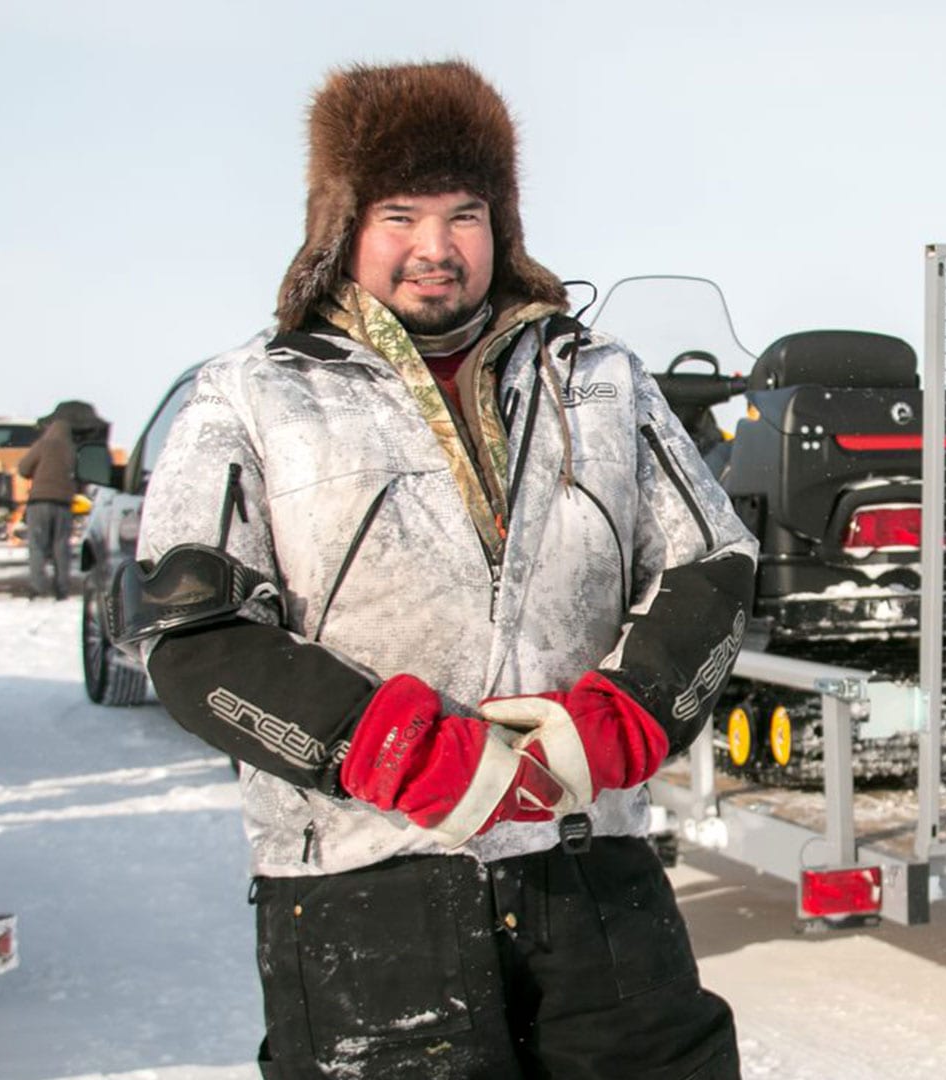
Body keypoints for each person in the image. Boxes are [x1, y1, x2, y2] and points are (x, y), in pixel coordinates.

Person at [118, 60, 754, 1079]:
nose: (434, 248)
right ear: (341, 227)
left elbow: (713, 565)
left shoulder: (599, 380)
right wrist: (395, 751)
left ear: (501, 223)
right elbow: (190, 635)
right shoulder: (250, 397)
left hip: (589, 864)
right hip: (365, 880)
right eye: (399, 215)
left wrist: (623, 721)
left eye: (464, 214)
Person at [15, 412, 77, 600]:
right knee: (61, 546)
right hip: (63, 504)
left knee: (37, 545)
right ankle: (62, 588)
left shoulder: (43, 445)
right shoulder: (71, 450)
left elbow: (23, 468)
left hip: (39, 502)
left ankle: (38, 586)